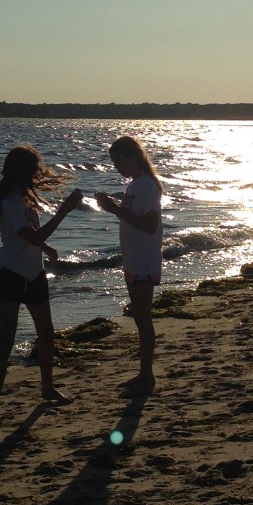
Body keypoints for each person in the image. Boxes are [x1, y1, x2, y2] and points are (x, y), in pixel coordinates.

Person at [0, 145, 83, 413]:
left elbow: (34, 237)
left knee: (46, 332)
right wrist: (63, 211)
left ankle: (47, 387)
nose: (37, 173)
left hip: (34, 272)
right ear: (24, 171)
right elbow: (33, 236)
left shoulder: (25, 198)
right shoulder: (8, 203)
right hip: (11, 274)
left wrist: (47, 250)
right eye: (34, 168)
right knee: (6, 338)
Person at [95, 136, 163, 395]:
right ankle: (143, 374)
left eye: (119, 161)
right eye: (114, 162)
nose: (117, 167)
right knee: (140, 319)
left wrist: (113, 209)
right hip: (135, 259)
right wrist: (113, 205)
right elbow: (136, 217)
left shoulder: (146, 185)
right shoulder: (136, 185)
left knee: (144, 320)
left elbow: (149, 225)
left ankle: (147, 378)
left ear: (133, 157)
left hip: (144, 260)